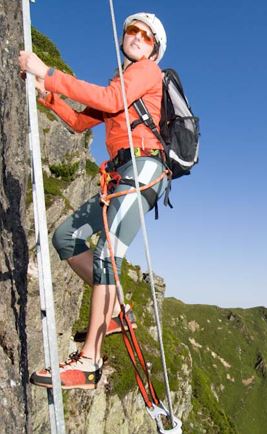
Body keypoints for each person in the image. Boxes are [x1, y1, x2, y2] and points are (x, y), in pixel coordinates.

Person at [19, 12, 168, 390]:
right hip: (121, 175)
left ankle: (89, 362)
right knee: (66, 237)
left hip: (143, 171)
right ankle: (117, 309)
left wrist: (50, 72)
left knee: (106, 255)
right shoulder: (122, 80)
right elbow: (79, 122)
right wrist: (47, 95)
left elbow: (110, 99)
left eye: (146, 36)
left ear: (154, 49)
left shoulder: (147, 73)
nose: (136, 37)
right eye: (131, 30)